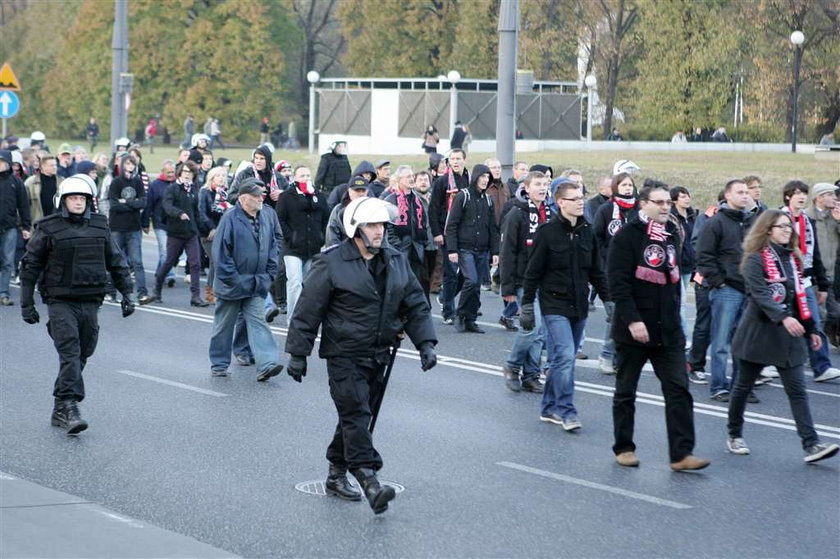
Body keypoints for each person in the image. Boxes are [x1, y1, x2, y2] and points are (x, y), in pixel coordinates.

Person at [284, 196, 438, 514]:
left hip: (379, 355)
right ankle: (369, 480)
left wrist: (425, 344)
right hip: (344, 354)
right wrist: (299, 353)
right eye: (372, 224)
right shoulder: (331, 262)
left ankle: (335, 475)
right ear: (355, 228)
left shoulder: (395, 260)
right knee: (356, 414)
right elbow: (307, 309)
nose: (379, 230)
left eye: (382, 223)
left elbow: (415, 302)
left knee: (355, 417)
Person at [19, 174, 135, 435]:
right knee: (70, 352)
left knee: (84, 352)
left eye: (82, 198)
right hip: (60, 301)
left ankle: (60, 403)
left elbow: (116, 261)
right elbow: (30, 266)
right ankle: (70, 406)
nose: (78, 202)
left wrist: (128, 293)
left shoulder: (99, 226)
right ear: (62, 200)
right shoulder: (48, 228)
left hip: (91, 300)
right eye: (73, 197)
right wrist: (27, 304)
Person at [608, 183, 710, 471]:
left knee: (679, 389)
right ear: (643, 204)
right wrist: (632, 320)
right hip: (635, 330)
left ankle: (681, 454)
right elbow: (618, 282)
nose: (666, 206)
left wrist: (677, 323)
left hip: (668, 330)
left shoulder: (670, 234)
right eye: (659, 202)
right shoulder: (627, 236)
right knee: (626, 391)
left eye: (668, 202)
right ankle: (624, 447)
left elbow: (674, 282)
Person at [727, 210, 839, 463]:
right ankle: (734, 434)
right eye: (781, 226)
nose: (787, 230)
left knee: (798, 390)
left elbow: (800, 297)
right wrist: (784, 317)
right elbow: (760, 295)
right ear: (768, 230)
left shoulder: (793, 259)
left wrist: (811, 329)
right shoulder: (755, 259)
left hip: (788, 336)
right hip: (758, 333)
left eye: (789, 226)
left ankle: (811, 444)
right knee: (743, 388)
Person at [208, 178, 284, 381]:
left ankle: (267, 363)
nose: (261, 198)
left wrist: (268, 275)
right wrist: (237, 280)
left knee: (259, 322)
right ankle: (219, 363)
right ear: (243, 198)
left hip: (257, 283)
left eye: (261, 194)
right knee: (224, 326)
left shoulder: (266, 215)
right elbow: (221, 255)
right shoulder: (230, 218)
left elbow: (273, 245)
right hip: (232, 285)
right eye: (256, 195)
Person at [696, 179, 755, 402]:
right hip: (726, 289)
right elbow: (704, 255)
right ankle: (719, 386)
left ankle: (741, 387)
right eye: (740, 192)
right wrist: (718, 282)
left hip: (748, 289)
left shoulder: (752, 221)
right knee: (720, 342)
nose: (745, 196)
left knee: (743, 342)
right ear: (727, 195)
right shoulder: (716, 222)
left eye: (746, 192)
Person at [781, 181, 839, 382]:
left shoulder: (807, 221)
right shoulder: (779, 217)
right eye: (796, 193)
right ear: (788, 196)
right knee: (780, 326)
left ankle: (821, 366)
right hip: (783, 281)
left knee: (813, 322)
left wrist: (822, 284)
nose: (801, 196)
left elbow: (815, 256)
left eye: (803, 193)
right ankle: (769, 363)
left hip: (804, 281)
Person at [500, 171, 551, 392]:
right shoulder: (516, 214)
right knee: (532, 327)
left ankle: (531, 375)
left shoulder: (548, 212)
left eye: (545, 184)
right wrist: (508, 287)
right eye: (537, 184)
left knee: (540, 331)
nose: (542, 188)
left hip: (544, 279)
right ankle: (512, 366)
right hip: (523, 279)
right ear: (526, 188)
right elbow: (507, 251)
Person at [140, 161, 208, 307]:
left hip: (191, 233)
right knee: (169, 262)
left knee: (195, 264)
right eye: (184, 172)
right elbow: (167, 206)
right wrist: (179, 213)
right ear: (179, 173)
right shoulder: (172, 189)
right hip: (175, 232)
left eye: (190, 172)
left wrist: (203, 229)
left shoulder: (194, 190)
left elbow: (196, 212)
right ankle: (157, 289)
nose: (187, 175)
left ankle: (195, 297)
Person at [445, 164, 499, 333]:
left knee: (476, 286)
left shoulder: (488, 199)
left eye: (487, 178)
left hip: (482, 249)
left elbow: (492, 227)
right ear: (476, 177)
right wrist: (452, 249)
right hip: (464, 248)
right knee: (471, 281)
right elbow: (452, 225)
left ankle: (471, 319)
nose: (485, 180)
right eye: (482, 177)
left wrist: (495, 251)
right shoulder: (463, 196)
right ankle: (460, 314)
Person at [593, 173, 638, 373]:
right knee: (617, 314)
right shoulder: (606, 209)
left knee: (630, 315)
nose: (628, 188)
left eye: (630, 185)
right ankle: (607, 354)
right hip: (611, 270)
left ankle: (622, 357)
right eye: (624, 185)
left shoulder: (639, 210)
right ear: (615, 187)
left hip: (635, 270)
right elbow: (597, 237)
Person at [276, 165, 329, 319]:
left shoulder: (318, 195)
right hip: (292, 248)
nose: (305, 178)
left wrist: (321, 236)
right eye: (302, 175)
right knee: (295, 282)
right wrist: (290, 237)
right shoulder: (287, 196)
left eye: (307, 175)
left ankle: (305, 316)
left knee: (308, 284)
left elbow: (326, 216)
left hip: (312, 247)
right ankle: (293, 318)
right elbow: (280, 219)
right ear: (295, 178)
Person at [429, 149, 469, 324]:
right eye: (452, 159)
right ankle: (448, 311)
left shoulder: (469, 180)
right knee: (451, 272)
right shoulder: (443, 182)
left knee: (468, 273)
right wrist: (437, 232)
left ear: (464, 160)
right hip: (447, 232)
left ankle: (447, 296)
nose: (455, 162)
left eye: (458, 159)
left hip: (466, 232)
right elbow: (433, 209)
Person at [383, 166, 434, 297]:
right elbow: (387, 226)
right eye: (408, 177)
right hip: (399, 248)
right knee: (399, 283)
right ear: (399, 180)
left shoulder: (417, 200)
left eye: (412, 176)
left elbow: (423, 222)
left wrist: (422, 243)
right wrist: (396, 244)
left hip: (416, 248)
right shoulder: (390, 200)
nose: (412, 179)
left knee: (415, 283)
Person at [108, 153, 148, 300]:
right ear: (122, 165)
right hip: (117, 228)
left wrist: (126, 202)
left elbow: (143, 202)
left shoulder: (138, 182)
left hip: (134, 228)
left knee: (137, 262)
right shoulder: (116, 183)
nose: (130, 167)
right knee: (115, 261)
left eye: (133, 164)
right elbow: (113, 205)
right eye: (128, 164)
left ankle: (142, 293)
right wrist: (133, 204)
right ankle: (110, 292)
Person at [806, 183, 840, 351]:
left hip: (832, 274)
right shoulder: (807, 217)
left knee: (834, 313)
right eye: (831, 195)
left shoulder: (833, 217)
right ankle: (817, 353)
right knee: (819, 315)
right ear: (819, 198)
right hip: (815, 276)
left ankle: (824, 342)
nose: (835, 198)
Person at [198, 167, 231, 304]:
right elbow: (201, 213)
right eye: (218, 175)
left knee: (217, 262)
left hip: (224, 232)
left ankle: (217, 290)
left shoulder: (226, 194)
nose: (221, 178)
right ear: (212, 177)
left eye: (223, 175)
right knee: (216, 261)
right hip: (208, 234)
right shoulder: (204, 192)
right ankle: (211, 291)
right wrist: (212, 228)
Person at [142, 160, 177, 288]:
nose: (171, 174)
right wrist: (145, 222)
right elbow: (149, 204)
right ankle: (170, 274)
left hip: (174, 223)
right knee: (164, 250)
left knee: (170, 251)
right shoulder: (155, 185)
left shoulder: (177, 184)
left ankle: (159, 272)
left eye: (173, 172)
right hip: (159, 223)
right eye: (168, 172)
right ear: (162, 172)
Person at [326, 176, 370, 246]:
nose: (361, 194)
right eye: (357, 190)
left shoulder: (373, 210)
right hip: (344, 253)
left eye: (363, 191)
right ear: (349, 191)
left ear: (367, 192)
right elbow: (332, 237)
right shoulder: (338, 210)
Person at [25, 154, 62, 223]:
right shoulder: (30, 183)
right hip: (38, 222)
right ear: (43, 166)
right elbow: (24, 205)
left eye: (56, 165)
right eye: (52, 165)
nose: (55, 167)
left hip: (57, 222)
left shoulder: (62, 182)